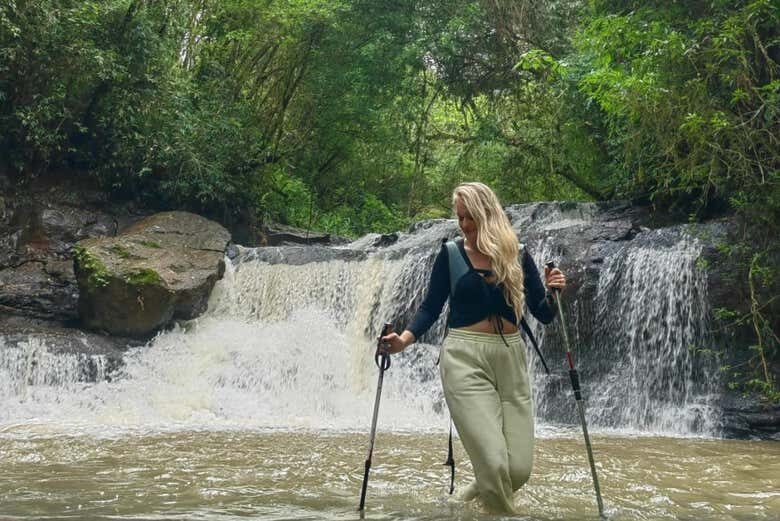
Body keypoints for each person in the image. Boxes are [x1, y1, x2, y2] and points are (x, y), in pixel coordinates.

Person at [381, 182, 566, 514]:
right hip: (464, 358)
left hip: (510, 357)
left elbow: (543, 313)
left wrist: (554, 292)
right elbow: (430, 307)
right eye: (460, 218)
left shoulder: (518, 253)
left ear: (488, 214)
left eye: (471, 218)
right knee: (494, 465)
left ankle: (456, 508)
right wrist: (403, 341)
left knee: (517, 470)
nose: (465, 225)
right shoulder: (451, 254)